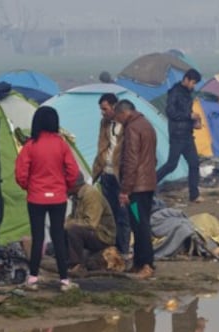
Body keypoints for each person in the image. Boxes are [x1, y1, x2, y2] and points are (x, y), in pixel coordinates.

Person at [15, 106, 80, 292]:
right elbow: (73, 171)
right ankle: (65, 280)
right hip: (58, 197)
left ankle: (33, 278)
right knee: (58, 237)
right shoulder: (61, 144)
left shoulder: (30, 145)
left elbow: (20, 173)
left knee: (38, 238)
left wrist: (29, 187)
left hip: (36, 197)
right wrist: (64, 187)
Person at [115, 99, 157, 280]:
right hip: (148, 184)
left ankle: (146, 264)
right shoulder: (147, 124)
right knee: (142, 223)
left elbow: (131, 161)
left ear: (123, 113)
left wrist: (125, 190)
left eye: (118, 118)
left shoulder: (131, 129)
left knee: (139, 226)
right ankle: (139, 263)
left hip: (136, 189)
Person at [92, 92, 131, 256]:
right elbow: (102, 145)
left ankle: (123, 249)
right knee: (110, 213)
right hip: (106, 173)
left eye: (105, 109)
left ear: (114, 107)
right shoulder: (105, 123)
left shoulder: (126, 125)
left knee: (124, 214)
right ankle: (112, 246)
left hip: (120, 176)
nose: (103, 112)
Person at [157, 68, 203, 203]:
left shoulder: (188, 93)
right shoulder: (175, 93)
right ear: (186, 79)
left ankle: (194, 195)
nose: (193, 86)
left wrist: (194, 121)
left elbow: (186, 111)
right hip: (177, 135)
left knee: (194, 163)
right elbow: (171, 112)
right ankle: (150, 185)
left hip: (188, 134)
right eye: (193, 82)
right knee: (171, 165)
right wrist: (188, 116)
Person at [65, 173, 116, 273]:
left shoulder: (91, 194)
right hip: (91, 233)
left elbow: (91, 223)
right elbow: (73, 217)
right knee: (64, 228)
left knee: (73, 230)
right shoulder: (77, 196)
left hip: (103, 236)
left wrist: (69, 224)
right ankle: (65, 259)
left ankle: (76, 265)